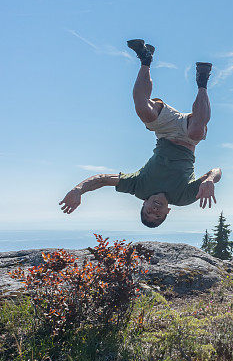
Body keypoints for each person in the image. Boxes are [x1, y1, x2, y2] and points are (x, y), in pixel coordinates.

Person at [59, 39, 221, 227]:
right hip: (187, 138)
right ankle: (202, 80)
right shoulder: (183, 197)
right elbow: (216, 171)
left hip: (164, 132)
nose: (154, 211)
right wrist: (210, 179)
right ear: (168, 211)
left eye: (148, 212)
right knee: (196, 131)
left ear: (143, 204)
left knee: (143, 109)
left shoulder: (138, 187)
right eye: (158, 216)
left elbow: (103, 180)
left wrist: (79, 189)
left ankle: (145, 59)